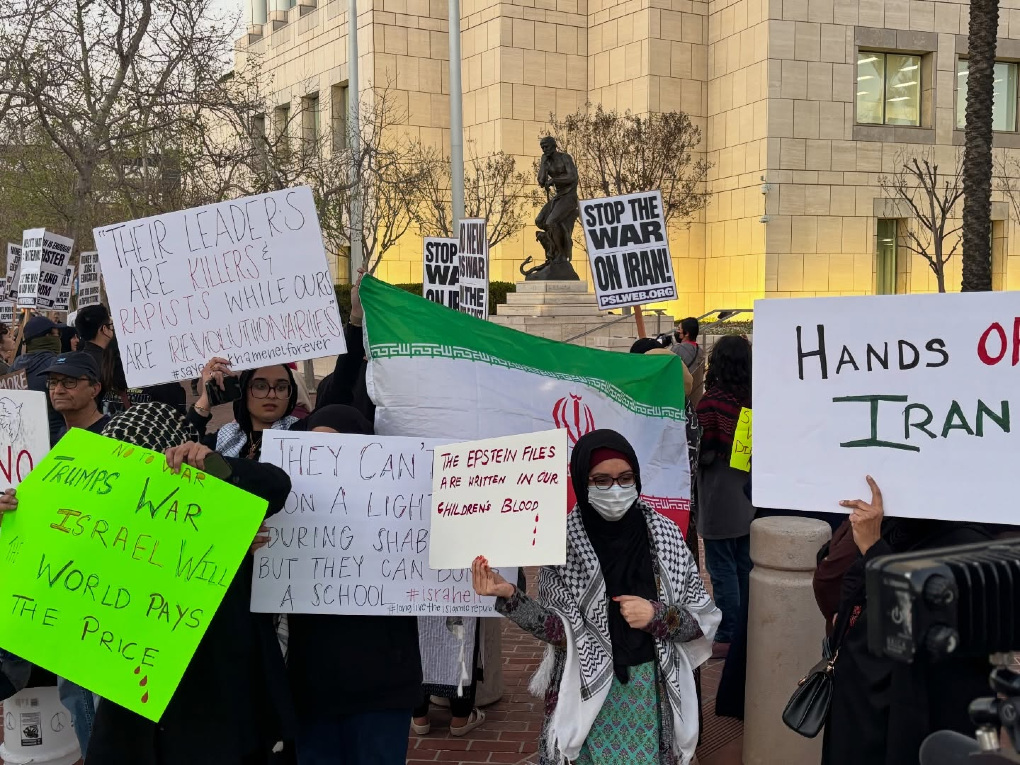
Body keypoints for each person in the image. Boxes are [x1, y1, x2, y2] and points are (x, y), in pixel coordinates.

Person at [472, 429, 720, 764]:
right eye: (601, 480)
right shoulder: (563, 545)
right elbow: (559, 633)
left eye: (625, 477)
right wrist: (510, 597)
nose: (615, 489)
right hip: (584, 695)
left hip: (650, 692)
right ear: (581, 482)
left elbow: (700, 623)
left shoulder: (665, 536)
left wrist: (656, 616)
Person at [84, 403, 296, 765]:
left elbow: (277, 485)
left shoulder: (217, 520)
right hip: (130, 714)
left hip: (212, 713)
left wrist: (218, 467)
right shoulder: (103, 527)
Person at [822, 477, 997, 765]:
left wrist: (875, 550)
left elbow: (918, 623)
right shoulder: (896, 522)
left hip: (907, 714)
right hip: (863, 701)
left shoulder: (969, 544)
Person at [285, 406, 422, 764]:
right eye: (314, 449)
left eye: (341, 448)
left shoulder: (401, 506)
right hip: (312, 684)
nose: (328, 459)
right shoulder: (284, 510)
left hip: (384, 684)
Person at [695, 334, 753, 660]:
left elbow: (702, 450)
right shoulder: (757, 399)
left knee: (722, 569)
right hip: (748, 493)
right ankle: (744, 629)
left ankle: (729, 634)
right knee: (744, 565)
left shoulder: (711, 402)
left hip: (719, 494)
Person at [188, 361, 299, 459]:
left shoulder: (301, 432)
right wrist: (205, 400)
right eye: (260, 386)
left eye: (281, 388)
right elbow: (178, 454)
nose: (272, 395)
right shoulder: (226, 436)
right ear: (244, 389)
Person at [10, 314, 66, 443]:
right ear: (48, 338)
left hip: (21, 439)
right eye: (57, 336)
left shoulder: (13, 367)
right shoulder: (56, 366)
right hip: (53, 438)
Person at [43, 351, 110, 439]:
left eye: (69, 382)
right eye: (53, 383)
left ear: (95, 389)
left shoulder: (112, 434)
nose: (58, 390)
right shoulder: (60, 437)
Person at [672, 319, 706, 408]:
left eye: (679, 329)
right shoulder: (701, 351)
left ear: (686, 333)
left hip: (681, 398)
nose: (677, 331)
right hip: (696, 397)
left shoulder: (677, 349)